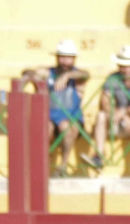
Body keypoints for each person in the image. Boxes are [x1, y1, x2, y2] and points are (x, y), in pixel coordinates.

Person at [19, 39, 90, 177]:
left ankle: (63, 166)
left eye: (68, 58)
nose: (65, 61)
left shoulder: (77, 77)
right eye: (62, 57)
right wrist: (30, 76)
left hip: (71, 119)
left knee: (65, 126)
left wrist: (67, 75)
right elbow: (28, 71)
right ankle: (40, 166)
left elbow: (86, 74)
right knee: (45, 127)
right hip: (50, 118)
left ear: (74, 59)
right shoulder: (49, 73)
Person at [83, 45, 130, 172]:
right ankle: (99, 156)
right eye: (123, 65)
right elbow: (104, 103)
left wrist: (125, 112)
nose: (126, 69)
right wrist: (114, 113)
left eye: (129, 66)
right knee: (101, 116)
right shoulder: (112, 78)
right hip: (119, 121)